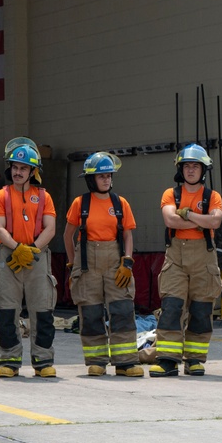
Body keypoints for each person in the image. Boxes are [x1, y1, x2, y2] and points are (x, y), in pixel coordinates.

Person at [63, 152, 142, 377]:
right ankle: (96, 361)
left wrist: (127, 262)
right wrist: (72, 264)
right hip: (87, 264)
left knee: (123, 310)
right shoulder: (80, 204)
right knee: (90, 312)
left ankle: (126, 362)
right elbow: (68, 235)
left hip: (115, 262)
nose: (106, 180)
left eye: (108, 175)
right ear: (91, 179)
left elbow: (127, 235)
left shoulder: (120, 203)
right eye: (101, 176)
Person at [150, 143, 222, 377]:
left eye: (196, 166)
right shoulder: (170, 194)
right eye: (187, 166)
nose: (191, 170)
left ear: (204, 170)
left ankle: (194, 360)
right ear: (180, 170)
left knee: (202, 309)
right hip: (176, 257)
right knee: (171, 307)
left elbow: (215, 223)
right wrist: (201, 220)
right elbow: (171, 220)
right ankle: (167, 360)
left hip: (205, 257)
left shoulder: (213, 196)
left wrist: (189, 215)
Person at [0, 138, 57, 378]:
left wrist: (32, 249)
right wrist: (18, 247)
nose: (18, 172)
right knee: (7, 310)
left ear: (32, 171)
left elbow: (50, 228)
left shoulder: (44, 196)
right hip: (9, 255)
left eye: (23, 168)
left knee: (43, 310)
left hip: (37, 256)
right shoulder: (1, 195)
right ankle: (9, 360)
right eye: (15, 167)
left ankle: (43, 361)